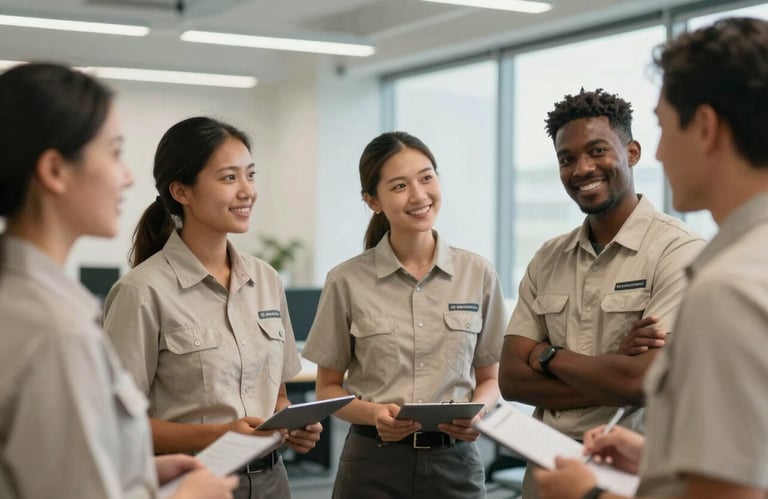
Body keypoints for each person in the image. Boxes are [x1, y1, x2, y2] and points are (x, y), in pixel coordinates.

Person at [534, 16, 768, 499]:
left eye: (663, 126)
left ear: (704, 127)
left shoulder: (730, 287)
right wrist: (658, 461)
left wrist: (590, 494)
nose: (659, 151)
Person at [0, 62, 237, 498]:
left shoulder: (27, 301)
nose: (127, 176)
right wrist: (187, 495)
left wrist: (137, 475)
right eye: (113, 153)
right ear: (55, 171)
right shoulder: (55, 330)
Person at [498, 88, 705, 497]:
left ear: (631, 152)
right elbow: (512, 380)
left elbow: (641, 382)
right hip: (546, 470)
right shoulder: (547, 258)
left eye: (596, 151)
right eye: (566, 159)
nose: (581, 168)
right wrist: (612, 371)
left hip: (629, 471)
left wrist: (546, 355)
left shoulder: (679, 252)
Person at [102, 116, 322, 499]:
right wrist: (217, 434)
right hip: (191, 483)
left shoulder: (266, 280)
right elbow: (116, 423)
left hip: (273, 482)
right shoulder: (141, 291)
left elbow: (278, 394)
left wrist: (289, 424)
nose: (247, 191)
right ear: (182, 191)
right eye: (228, 178)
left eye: (250, 175)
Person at [302, 131, 507, 499]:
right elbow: (327, 390)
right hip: (372, 464)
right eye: (399, 186)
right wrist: (374, 414)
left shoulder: (478, 273)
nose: (419, 195)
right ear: (373, 200)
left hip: (456, 464)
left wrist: (479, 414)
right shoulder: (346, 280)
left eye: (427, 177)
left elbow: (490, 378)